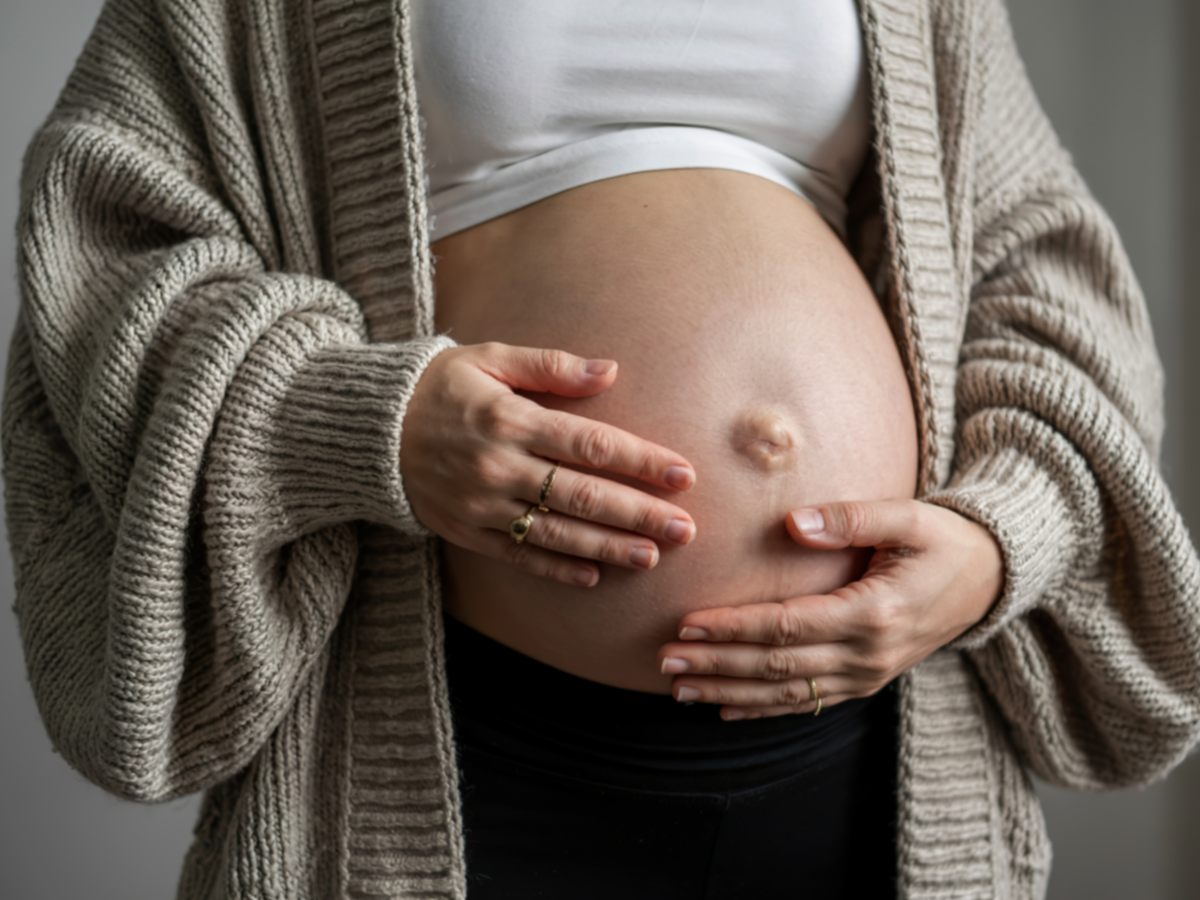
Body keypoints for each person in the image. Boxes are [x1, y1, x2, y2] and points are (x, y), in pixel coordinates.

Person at [6, 0, 1199, 898]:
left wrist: (998, 544)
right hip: (470, 749)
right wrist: (364, 420)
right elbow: (109, 243)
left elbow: (1039, 261)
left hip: (873, 748)